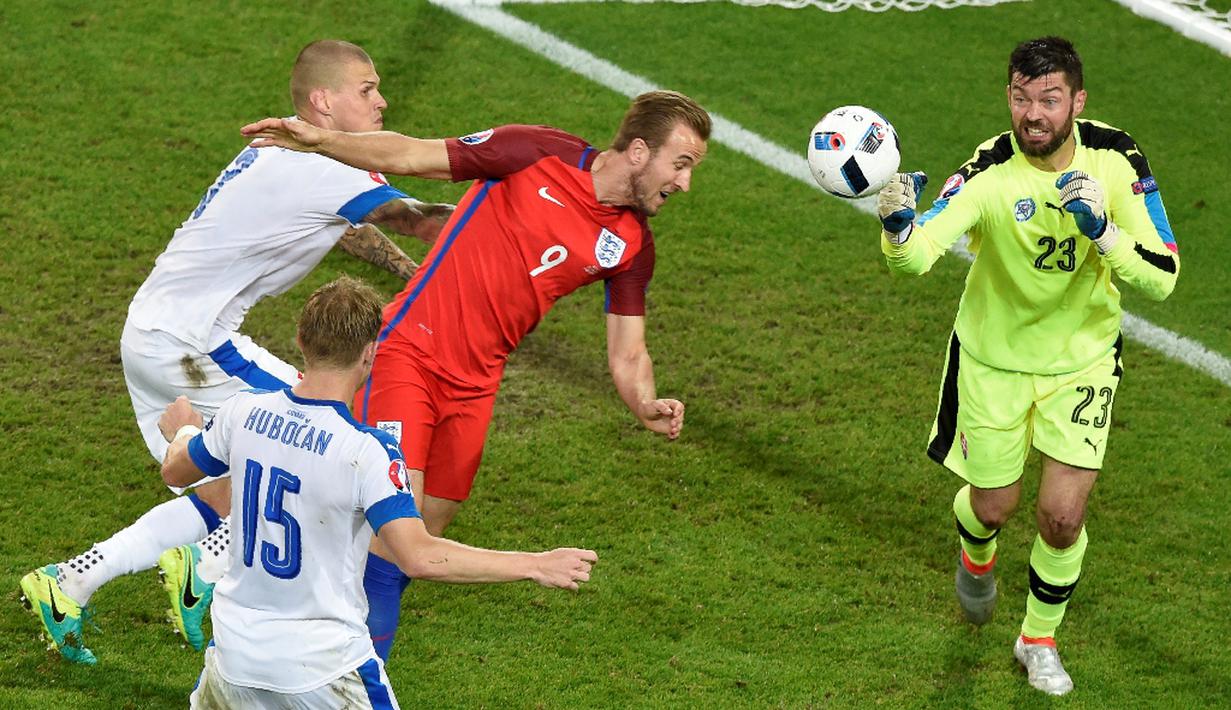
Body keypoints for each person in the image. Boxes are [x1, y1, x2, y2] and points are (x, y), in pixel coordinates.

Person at [18, 39, 452, 664]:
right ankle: (203, 572)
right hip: (194, 342)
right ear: (323, 102)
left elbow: (348, 226)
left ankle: (70, 582)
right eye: (367, 89)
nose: (382, 100)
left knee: (224, 484)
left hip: (153, 331)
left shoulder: (283, 150)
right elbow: (422, 216)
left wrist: (409, 277)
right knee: (331, 443)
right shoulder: (331, 166)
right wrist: (506, 209)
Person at [241, 89, 710, 660]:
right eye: (680, 164)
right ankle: (337, 667)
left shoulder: (633, 246)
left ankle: (267, 567)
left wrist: (646, 403)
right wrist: (324, 140)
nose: (684, 183)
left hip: (477, 384)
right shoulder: (536, 152)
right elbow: (414, 155)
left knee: (420, 532)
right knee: (401, 532)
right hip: (408, 352)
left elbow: (628, 352)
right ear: (639, 151)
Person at [875, 37, 1178, 695]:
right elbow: (916, 257)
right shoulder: (988, 171)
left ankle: (1037, 639)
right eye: (1020, 97)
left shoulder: (1115, 160)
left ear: (1076, 101)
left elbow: (1162, 278)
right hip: (992, 363)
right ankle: (975, 554)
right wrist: (897, 228)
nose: (1031, 114)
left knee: (1062, 518)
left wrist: (1102, 231)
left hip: (1082, 363)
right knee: (992, 507)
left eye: (1047, 99)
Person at [157, 276, 596, 709]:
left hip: (234, 659)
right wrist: (535, 564)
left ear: (301, 340)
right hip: (322, 670)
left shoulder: (243, 412)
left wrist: (185, 431)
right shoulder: (366, 451)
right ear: (371, 353)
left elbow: (176, 469)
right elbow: (419, 556)